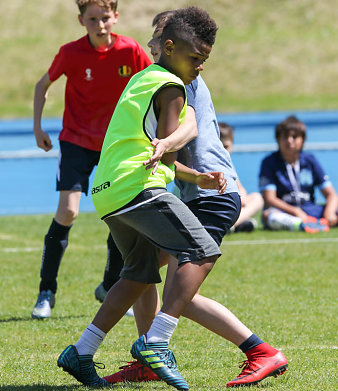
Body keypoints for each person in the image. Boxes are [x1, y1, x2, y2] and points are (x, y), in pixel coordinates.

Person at [100, 10, 288, 388]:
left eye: (157, 37)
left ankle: (259, 351)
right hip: (196, 192)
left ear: (172, 44)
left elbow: (187, 129)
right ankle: (149, 355)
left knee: (179, 290)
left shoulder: (179, 77)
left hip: (213, 195)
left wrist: (166, 149)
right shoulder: (169, 76)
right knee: (145, 274)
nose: (152, 45)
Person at [57, 7, 222, 390]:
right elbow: (164, 151)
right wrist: (173, 146)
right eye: (195, 58)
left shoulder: (142, 77)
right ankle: (157, 341)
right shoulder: (172, 87)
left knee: (137, 275)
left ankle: (81, 351)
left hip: (108, 193)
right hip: (138, 188)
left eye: (205, 61)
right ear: (169, 47)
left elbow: (149, 148)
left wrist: (196, 176)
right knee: (202, 251)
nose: (199, 68)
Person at [31, 0, 152, 319]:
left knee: (120, 213)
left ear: (116, 17)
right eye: (92, 18)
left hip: (116, 144)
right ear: (81, 20)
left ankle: (109, 285)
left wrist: (152, 133)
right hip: (75, 141)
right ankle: (46, 291)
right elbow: (43, 84)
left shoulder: (131, 51)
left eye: (105, 18)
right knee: (69, 212)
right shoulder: (70, 53)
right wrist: (37, 127)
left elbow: (151, 87)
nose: (100, 24)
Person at [259, 115, 338, 232]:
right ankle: (299, 225)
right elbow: (270, 199)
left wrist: (329, 212)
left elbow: (332, 195)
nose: (289, 141)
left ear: (303, 140)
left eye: (294, 137)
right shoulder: (269, 162)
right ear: (277, 139)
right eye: (285, 137)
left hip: (310, 209)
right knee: (268, 215)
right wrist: (295, 211)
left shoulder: (310, 160)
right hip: (288, 211)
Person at [219, 121, 264, 232]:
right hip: (214, 207)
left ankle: (232, 224)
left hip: (229, 207)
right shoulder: (209, 162)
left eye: (226, 146)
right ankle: (231, 225)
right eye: (219, 147)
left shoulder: (229, 163)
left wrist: (242, 197)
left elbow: (240, 187)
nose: (223, 151)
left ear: (232, 145)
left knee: (257, 198)